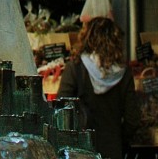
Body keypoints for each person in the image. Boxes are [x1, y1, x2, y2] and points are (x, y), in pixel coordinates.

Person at [57, 16, 139, 159]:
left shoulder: (75, 68)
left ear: (87, 38)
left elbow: (60, 110)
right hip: (112, 149)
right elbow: (133, 118)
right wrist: (120, 139)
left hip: (78, 150)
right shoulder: (124, 73)